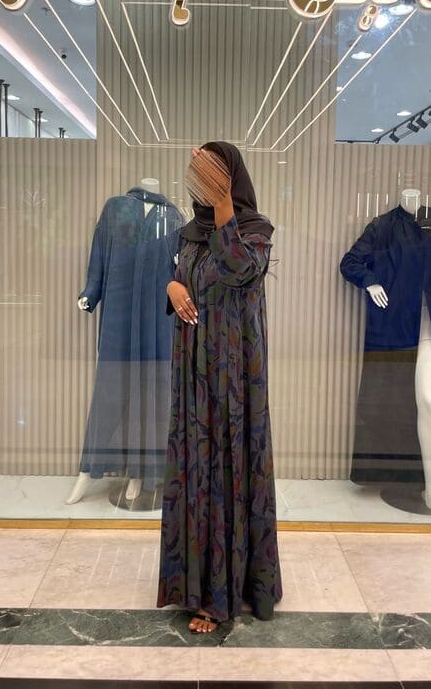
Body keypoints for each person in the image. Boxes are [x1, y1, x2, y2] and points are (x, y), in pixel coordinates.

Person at [156, 141, 282, 634]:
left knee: (227, 469)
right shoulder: (189, 233)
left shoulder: (255, 231)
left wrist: (223, 197)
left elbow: (236, 269)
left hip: (234, 379)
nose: (203, 185)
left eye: (213, 174)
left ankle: (220, 594)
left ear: (231, 177)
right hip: (192, 374)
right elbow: (180, 275)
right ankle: (190, 585)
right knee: (194, 468)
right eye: (200, 175)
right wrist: (172, 288)